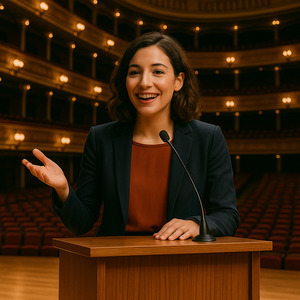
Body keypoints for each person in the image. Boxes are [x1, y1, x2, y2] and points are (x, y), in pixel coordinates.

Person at [22, 32, 239, 240]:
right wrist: (63, 189)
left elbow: (227, 216)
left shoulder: (208, 138)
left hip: (181, 263)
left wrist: (196, 224)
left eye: (158, 72)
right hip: (115, 263)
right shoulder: (101, 139)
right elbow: (82, 223)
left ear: (178, 81)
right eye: (134, 72)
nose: (144, 82)